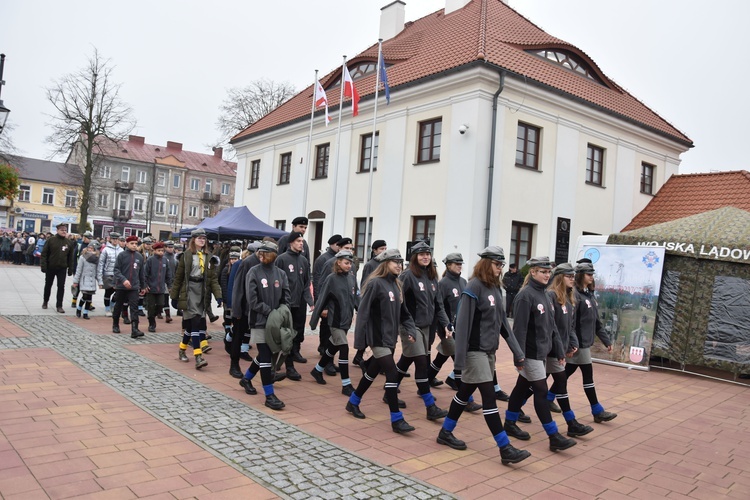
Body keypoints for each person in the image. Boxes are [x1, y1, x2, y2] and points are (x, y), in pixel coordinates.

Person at [435, 245, 531, 465]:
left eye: (502, 265)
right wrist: (459, 361)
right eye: (497, 264)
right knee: (489, 398)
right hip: (474, 352)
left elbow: (503, 326)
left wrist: (518, 353)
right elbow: (463, 325)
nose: (500, 269)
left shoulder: (497, 289)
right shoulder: (473, 287)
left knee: (463, 394)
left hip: (489, 352)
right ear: (487, 264)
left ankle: (445, 433)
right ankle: (505, 448)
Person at [504, 256, 577, 452]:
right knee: (541, 392)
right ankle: (553, 436)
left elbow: (552, 327)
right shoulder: (525, 296)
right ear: (533, 272)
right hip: (530, 353)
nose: (547, 275)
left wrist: (559, 350)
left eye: (548, 272)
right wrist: (518, 355)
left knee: (521, 387)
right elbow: (519, 330)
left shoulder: (545, 294)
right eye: (543, 272)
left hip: (544, 352)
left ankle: (509, 422)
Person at [345, 248, 420, 433]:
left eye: (400, 262)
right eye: (395, 262)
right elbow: (363, 313)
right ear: (385, 264)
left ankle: (353, 401)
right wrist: (360, 343)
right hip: (377, 338)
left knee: (371, 372)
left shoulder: (397, 284)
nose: (399, 266)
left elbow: (405, 313)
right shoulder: (375, 284)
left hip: (390, 338)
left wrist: (410, 329)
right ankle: (396, 419)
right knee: (393, 375)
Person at [393, 241, 450, 421]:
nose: (425, 257)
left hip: (427, 327)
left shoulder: (433, 277)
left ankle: (390, 391)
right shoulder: (407, 276)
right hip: (411, 326)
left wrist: (446, 324)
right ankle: (430, 407)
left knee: (406, 359)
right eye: (421, 254)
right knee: (421, 362)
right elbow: (397, 300)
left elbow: (439, 304)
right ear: (414, 257)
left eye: (428, 254)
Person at [238, 241, 291, 410]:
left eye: (264, 253)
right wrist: (270, 312)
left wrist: (281, 313)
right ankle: (269, 395)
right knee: (266, 356)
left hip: (275, 323)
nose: (260, 256)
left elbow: (286, 297)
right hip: (259, 322)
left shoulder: (281, 274)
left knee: (263, 356)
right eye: (259, 253)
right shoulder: (253, 272)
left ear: (273, 255)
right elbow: (252, 301)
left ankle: (246, 379)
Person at [546, 263, 594, 437]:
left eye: (573, 276)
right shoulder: (550, 296)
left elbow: (570, 325)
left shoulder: (569, 297)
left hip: (558, 350)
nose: (572, 279)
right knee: (531, 386)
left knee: (556, 383)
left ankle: (571, 423)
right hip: (547, 350)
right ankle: (513, 416)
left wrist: (572, 342)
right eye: (569, 276)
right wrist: (560, 350)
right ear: (560, 277)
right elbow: (551, 328)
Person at [568, 261, 618, 423]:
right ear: (581, 276)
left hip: (584, 344)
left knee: (563, 375)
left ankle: (547, 397)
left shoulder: (589, 295)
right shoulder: (574, 295)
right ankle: (597, 411)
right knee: (587, 377)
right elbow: (571, 323)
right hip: (579, 345)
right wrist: (573, 343)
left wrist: (606, 340)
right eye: (589, 274)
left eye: (592, 274)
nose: (591, 277)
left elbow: (596, 322)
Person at [309, 250, 360, 395]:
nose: (349, 266)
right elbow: (322, 299)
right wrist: (313, 321)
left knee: (333, 346)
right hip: (335, 321)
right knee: (344, 348)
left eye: (350, 263)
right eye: (346, 263)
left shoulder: (351, 278)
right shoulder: (331, 279)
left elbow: (356, 298)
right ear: (338, 262)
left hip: (347, 320)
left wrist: (362, 311)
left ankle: (317, 370)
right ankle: (346, 385)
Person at [170, 228, 222, 369]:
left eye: (204, 238)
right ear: (193, 240)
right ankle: (198, 356)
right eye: (199, 238)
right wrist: (174, 296)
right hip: (189, 290)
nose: (201, 240)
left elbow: (213, 280)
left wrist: (218, 296)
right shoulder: (186, 256)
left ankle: (181, 350)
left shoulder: (209, 257)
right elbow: (178, 277)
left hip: (202, 291)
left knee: (191, 325)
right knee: (195, 323)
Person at [275, 231, 313, 379]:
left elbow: (306, 283)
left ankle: (285, 361)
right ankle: (289, 367)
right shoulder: (282, 259)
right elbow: (277, 283)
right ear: (291, 243)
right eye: (298, 241)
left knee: (296, 333)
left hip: (300, 304)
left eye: (302, 241)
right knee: (286, 335)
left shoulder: (303, 260)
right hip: (286, 304)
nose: (301, 243)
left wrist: (310, 302)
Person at [227, 241, 262, 378]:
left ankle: (267, 370)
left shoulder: (268, 263)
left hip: (259, 309)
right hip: (244, 309)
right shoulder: (246, 263)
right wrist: (236, 311)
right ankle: (234, 365)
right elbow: (237, 288)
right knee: (238, 336)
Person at [112, 236, 146, 338]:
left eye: (136, 243)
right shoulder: (121, 255)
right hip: (121, 286)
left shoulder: (139, 256)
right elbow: (116, 270)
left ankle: (135, 329)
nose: (134, 245)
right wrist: (123, 280)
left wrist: (143, 286)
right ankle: (115, 324)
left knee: (134, 307)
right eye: (132, 243)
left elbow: (141, 273)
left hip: (134, 287)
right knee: (118, 306)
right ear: (126, 244)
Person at [40, 223, 77, 313]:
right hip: (51, 267)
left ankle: (59, 305)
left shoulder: (69, 243)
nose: (64, 232)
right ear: (57, 231)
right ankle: (45, 301)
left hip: (62, 268)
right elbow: (44, 254)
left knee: (61, 286)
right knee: (48, 285)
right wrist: (44, 266)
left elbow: (71, 257)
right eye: (62, 230)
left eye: (65, 230)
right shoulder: (51, 240)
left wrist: (70, 269)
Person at [144, 242, 173, 332]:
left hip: (161, 288)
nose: (161, 252)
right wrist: (145, 285)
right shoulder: (150, 260)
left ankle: (155, 314)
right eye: (159, 250)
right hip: (151, 288)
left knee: (161, 304)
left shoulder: (165, 260)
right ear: (154, 251)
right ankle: (152, 323)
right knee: (151, 307)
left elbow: (168, 274)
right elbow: (145, 274)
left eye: (162, 251)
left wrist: (169, 285)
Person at [98, 233, 124, 317]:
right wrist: (100, 278)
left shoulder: (121, 250)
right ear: (110, 239)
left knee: (118, 292)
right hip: (108, 274)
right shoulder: (105, 250)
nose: (115, 240)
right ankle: (107, 308)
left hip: (118, 275)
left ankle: (113, 304)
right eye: (113, 239)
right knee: (108, 292)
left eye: (117, 239)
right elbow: (101, 263)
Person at [73, 241, 100, 319]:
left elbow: (98, 271)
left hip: (92, 280)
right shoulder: (83, 257)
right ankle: (79, 308)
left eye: (92, 248)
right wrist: (76, 281)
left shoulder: (97, 258)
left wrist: (100, 281)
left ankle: (85, 312)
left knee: (89, 298)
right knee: (84, 296)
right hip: (84, 279)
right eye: (89, 248)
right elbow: (79, 270)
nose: (90, 249)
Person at [71, 231, 94, 309]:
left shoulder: (92, 246)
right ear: (84, 238)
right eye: (88, 238)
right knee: (77, 286)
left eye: (91, 238)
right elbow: (74, 257)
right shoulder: (79, 245)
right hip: (79, 268)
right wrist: (73, 270)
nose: (89, 240)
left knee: (89, 288)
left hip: (88, 271)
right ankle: (74, 301)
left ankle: (89, 304)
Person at [162, 240, 177, 323]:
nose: (171, 249)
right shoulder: (163, 257)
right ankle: (167, 315)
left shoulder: (175, 258)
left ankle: (179, 310)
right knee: (165, 297)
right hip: (164, 280)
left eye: (172, 247)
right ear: (165, 248)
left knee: (175, 297)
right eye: (169, 247)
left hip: (174, 280)